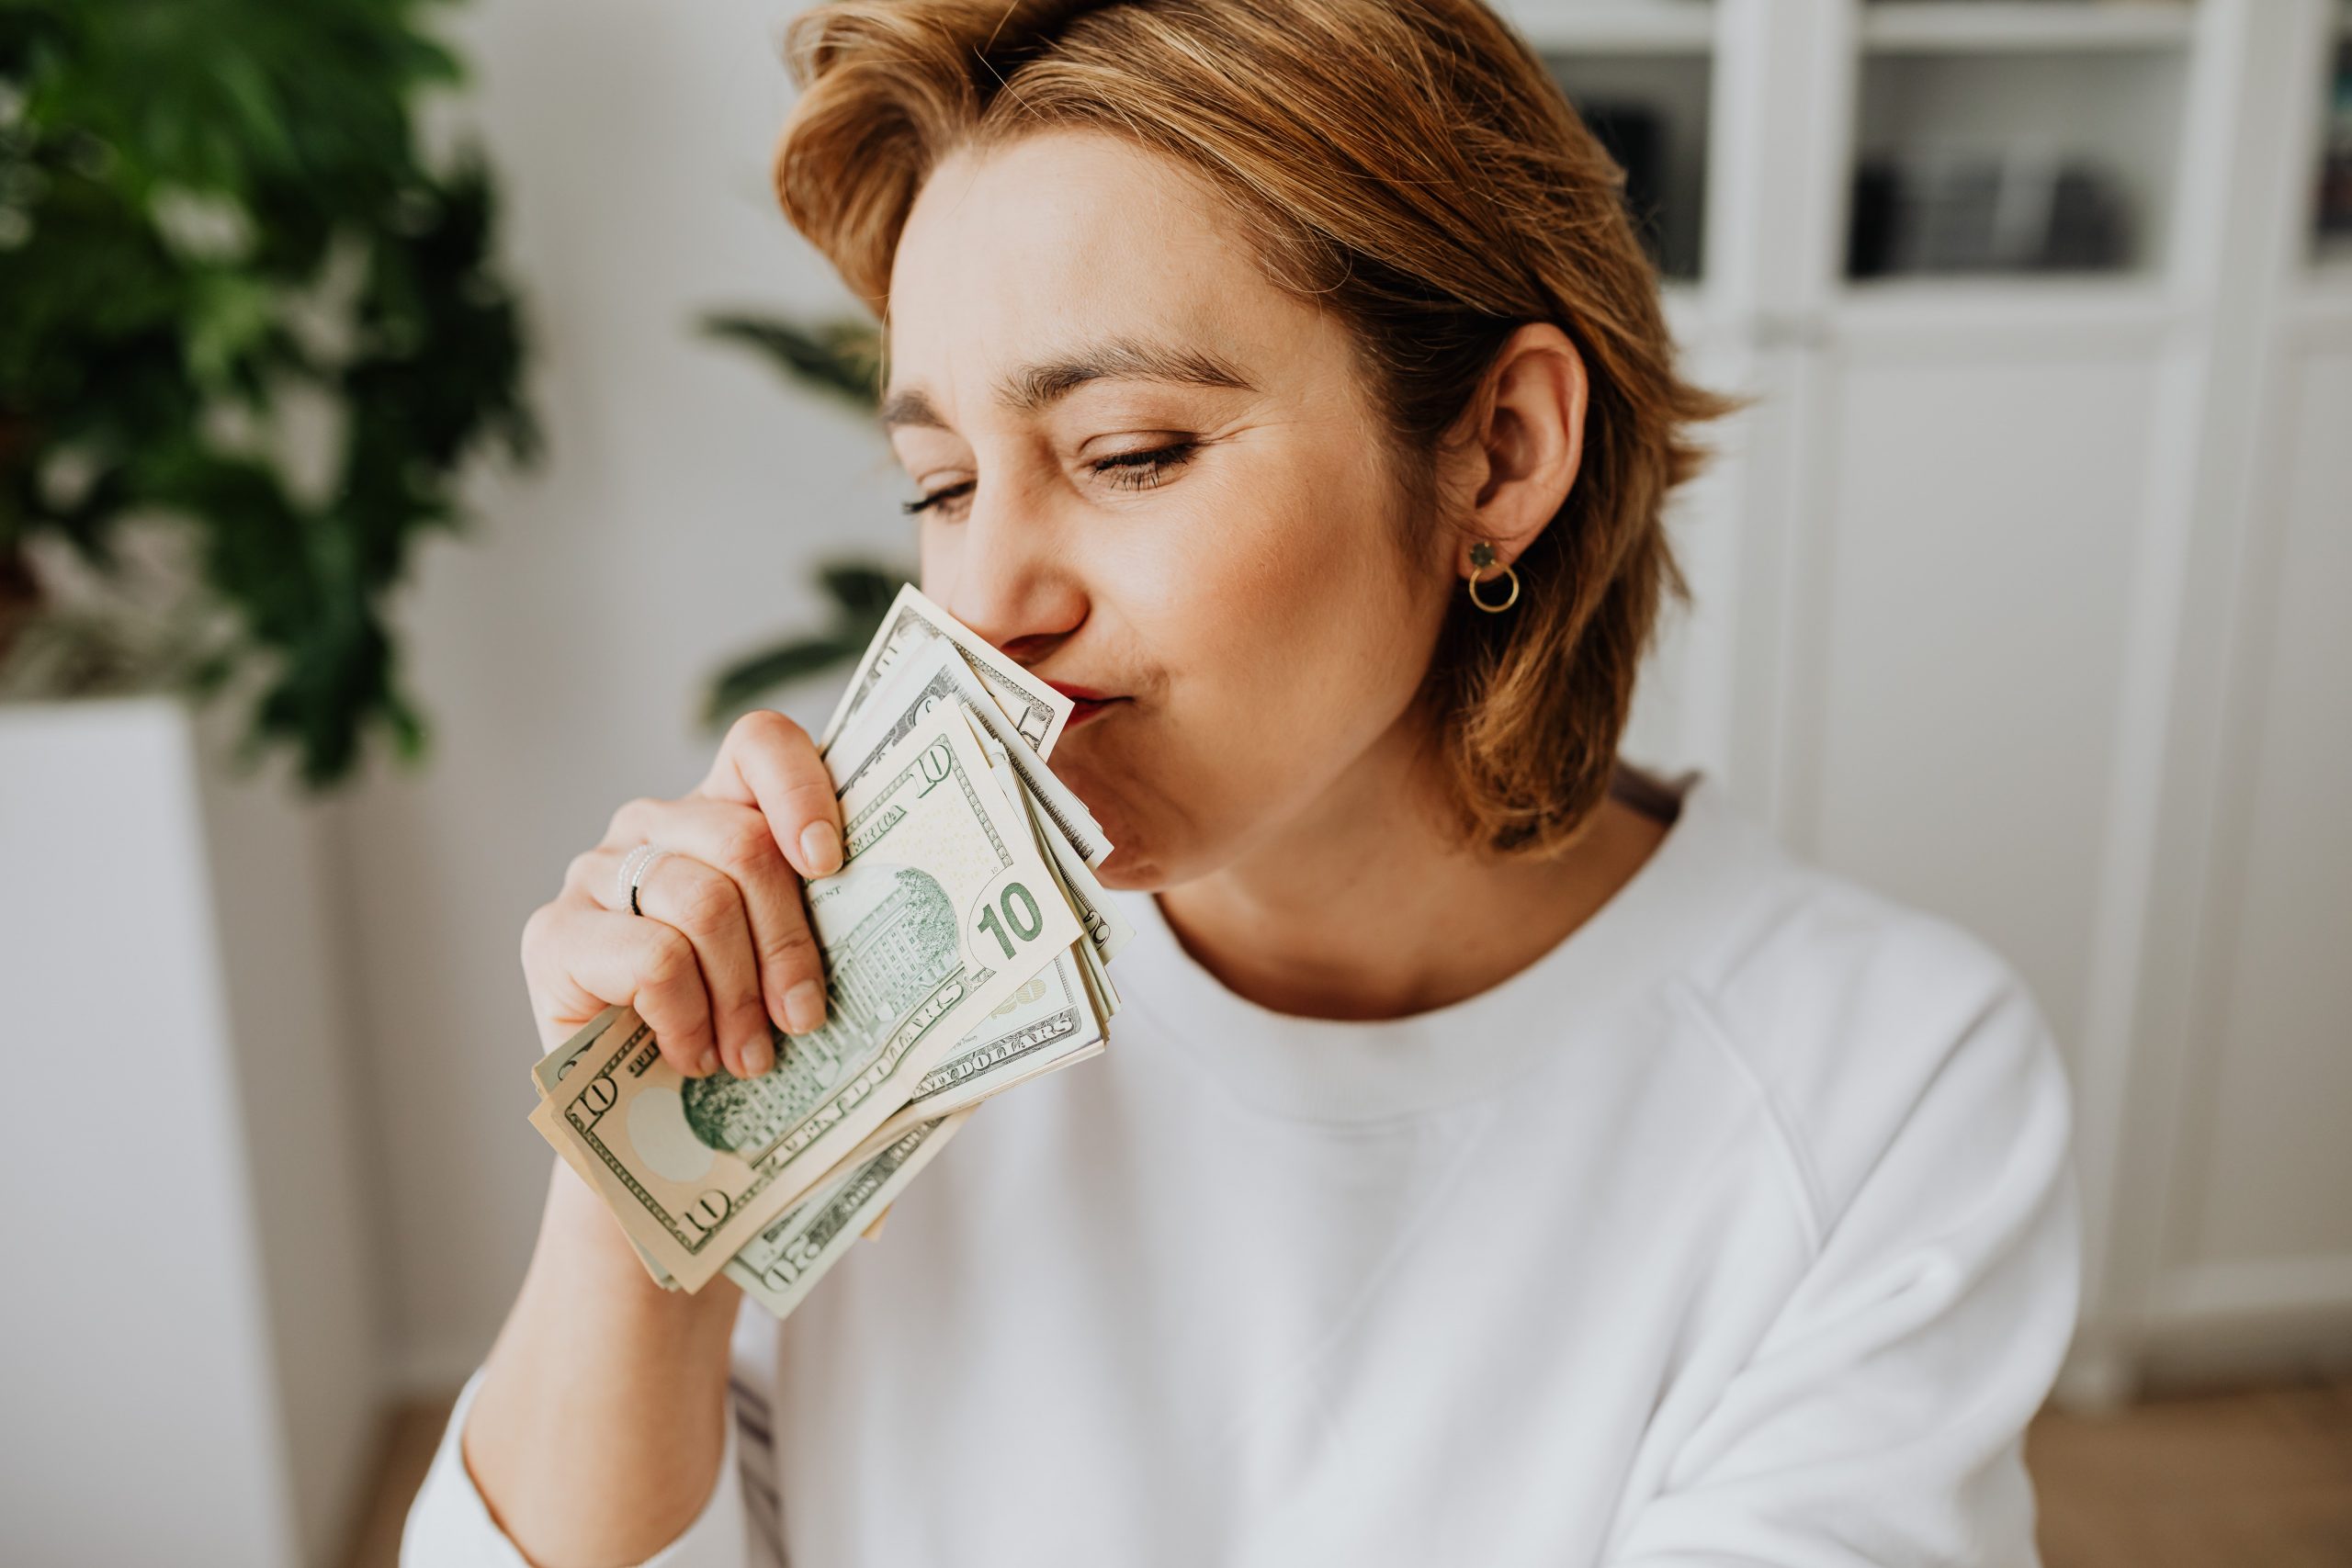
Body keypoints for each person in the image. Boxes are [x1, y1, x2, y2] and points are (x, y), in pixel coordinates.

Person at [403, 0, 2082, 1562]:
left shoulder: (1887, 1086)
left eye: (1127, 453)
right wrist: (646, 1205)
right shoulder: (850, 983)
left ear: (1499, 450)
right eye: (940, 479)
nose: (985, 602)